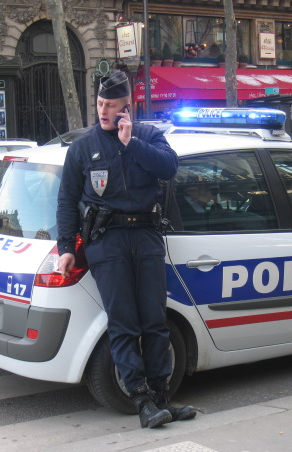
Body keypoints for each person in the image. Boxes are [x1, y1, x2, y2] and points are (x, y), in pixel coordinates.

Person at [56, 71, 197, 428]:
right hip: (107, 241)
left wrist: (130, 142)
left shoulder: (147, 136)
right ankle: (141, 400)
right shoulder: (83, 148)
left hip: (146, 236)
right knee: (124, 323)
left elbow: (169, 167)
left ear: (126, 109)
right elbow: (67, 200)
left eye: (111, 106)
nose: (103, 111)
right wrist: (65, 248)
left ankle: (162, 397)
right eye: (100, 104)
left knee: (154, 320)